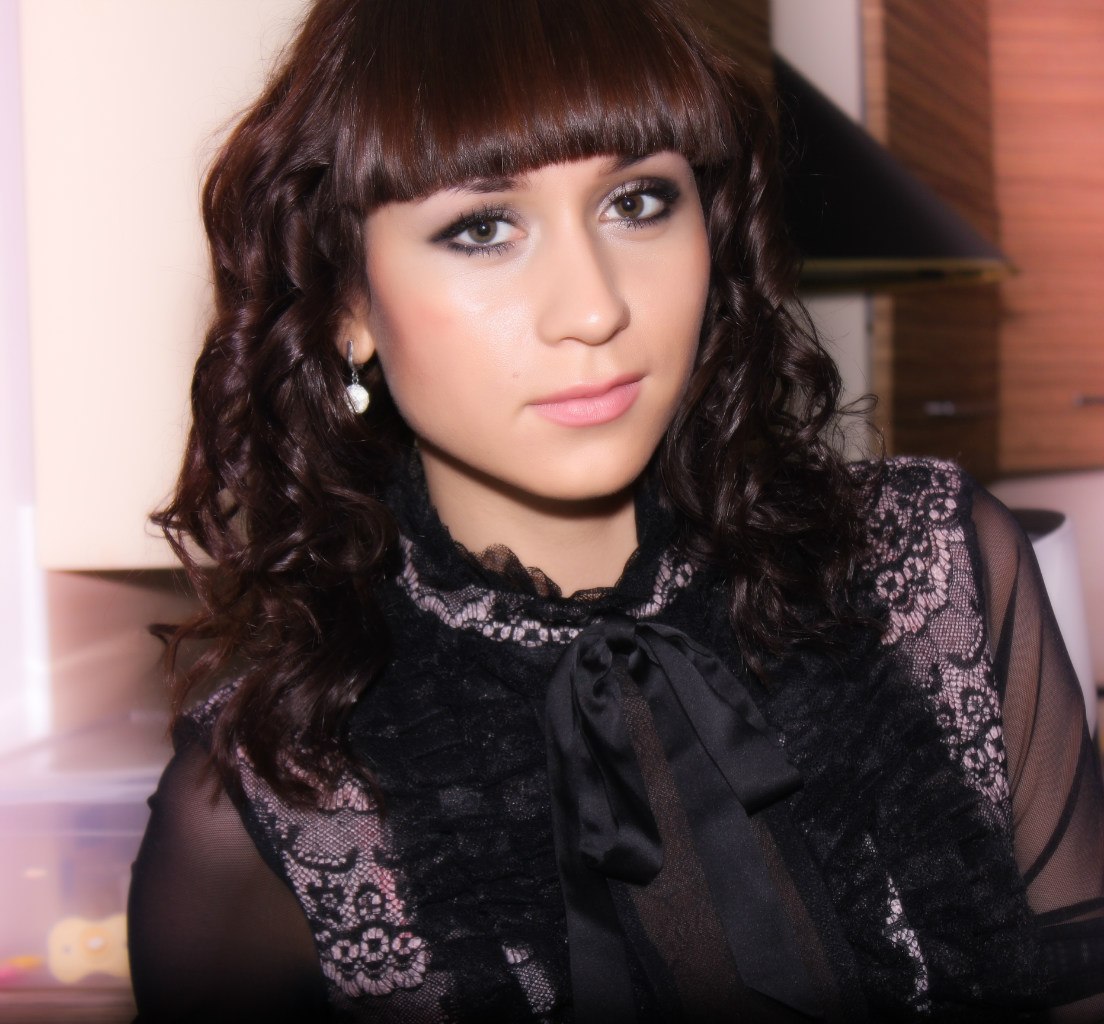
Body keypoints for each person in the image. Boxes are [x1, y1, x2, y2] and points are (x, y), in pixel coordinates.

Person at [127, 0, 1104, 1020]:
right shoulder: (270, 802)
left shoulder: (930, 572)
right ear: (348, 304)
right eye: (483, 228)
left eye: (637, 202)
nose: (595, 307)